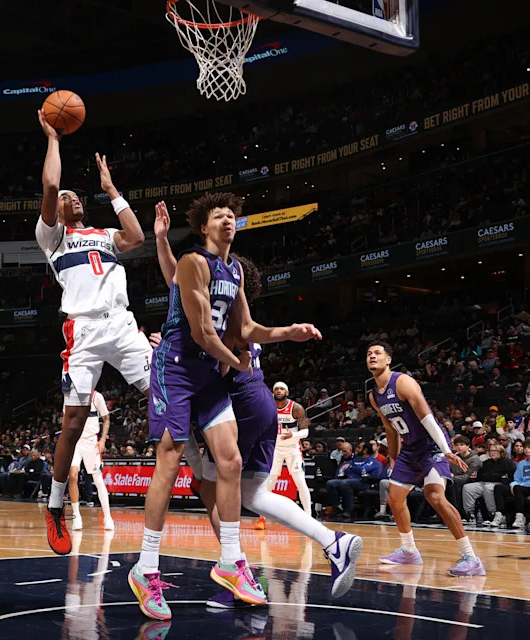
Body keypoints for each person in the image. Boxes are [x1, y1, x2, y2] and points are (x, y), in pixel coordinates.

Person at [129, 192, 321, 620]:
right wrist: (241, 363)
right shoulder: (193, 262)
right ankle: (145, 568)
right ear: (203, 226)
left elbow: (247, 327)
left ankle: (231, 561)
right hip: (177, 368)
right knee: (171, 457)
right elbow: (201, 333)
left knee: (230, 461)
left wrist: (289, 331)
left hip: (208, 375)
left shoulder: (233, 269)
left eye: (232, 215)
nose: (228, 220)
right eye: (219, 215)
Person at [150, 223, 360, 605]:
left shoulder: (226, 320)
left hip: (242, 404)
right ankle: (333, 542)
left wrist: (181, 344)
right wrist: (162, 241)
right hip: (259, 403)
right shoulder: (222, 308)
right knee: (253, 494)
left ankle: (234, 574)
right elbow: (176, 283)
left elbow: (227, 364)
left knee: (213, 486)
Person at [35, 111, 150, 555]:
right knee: (73, 422)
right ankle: (55, 504)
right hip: (81, 330)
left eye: (77, 196)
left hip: (120, 323)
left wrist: (111, 190)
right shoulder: (54, 239)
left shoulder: (103, 233)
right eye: (68, 197)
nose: (72, 198)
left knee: (162, 390)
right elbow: (49, 186)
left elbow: (137, 236)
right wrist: (53, 140)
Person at [367, 342, 485, 577]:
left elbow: (428, 418)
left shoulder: (403, 382)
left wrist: (446, 449)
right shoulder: (374, 396)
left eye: (377, 353)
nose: (372, 356)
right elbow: (390, 430)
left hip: (431, 446)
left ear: (388, 359)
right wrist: (392, 458)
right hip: (409, 451)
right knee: (394, 498)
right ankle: (409, 551)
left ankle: (471, 557)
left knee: (435, 497)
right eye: (369, 354)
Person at [67, 389, 114, 531]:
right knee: (73, 475)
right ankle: (77, 516)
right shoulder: (70, 397)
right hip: (75, 441)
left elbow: (106, 419)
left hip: (91, 441)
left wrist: (103, 440)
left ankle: (107, 517)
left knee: (98, 480)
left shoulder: (96, 396)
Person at [265, 382, 311, 515]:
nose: (279, 391)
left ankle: (308, 516)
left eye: (282, 389)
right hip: (275, 449)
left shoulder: (296, 408)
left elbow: (305, 432)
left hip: (292, 449)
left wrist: (293, 434)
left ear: (287, 392)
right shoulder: (269, 407)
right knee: (269, 483)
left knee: (300, 482)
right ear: (273, 392)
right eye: (276, 389)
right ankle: (262, 517)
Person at [324, 442, 382, 521]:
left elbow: (362, 470)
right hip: (351, 480)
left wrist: (355, 468)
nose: (357, 449)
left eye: (359, 447)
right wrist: (356, 469)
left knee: (346, 483)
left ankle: (349, 510)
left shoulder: (372, 461)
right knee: (330, 483)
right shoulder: (356, 460)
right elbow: (347, 470)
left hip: (364, 482)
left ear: (365, 450)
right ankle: (337, 506)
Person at [461, 443, 514, 527]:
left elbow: (508, 476)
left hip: (498, 484)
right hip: (484, 482)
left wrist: (493, 477)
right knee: (468, 487)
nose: (492, 453)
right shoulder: (487, 463)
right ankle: (470, 514)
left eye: (495, 451)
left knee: (488, 488)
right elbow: (480, 475)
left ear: (501, 452)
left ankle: (493, 513)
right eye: (490, 451)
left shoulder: (507, 462)